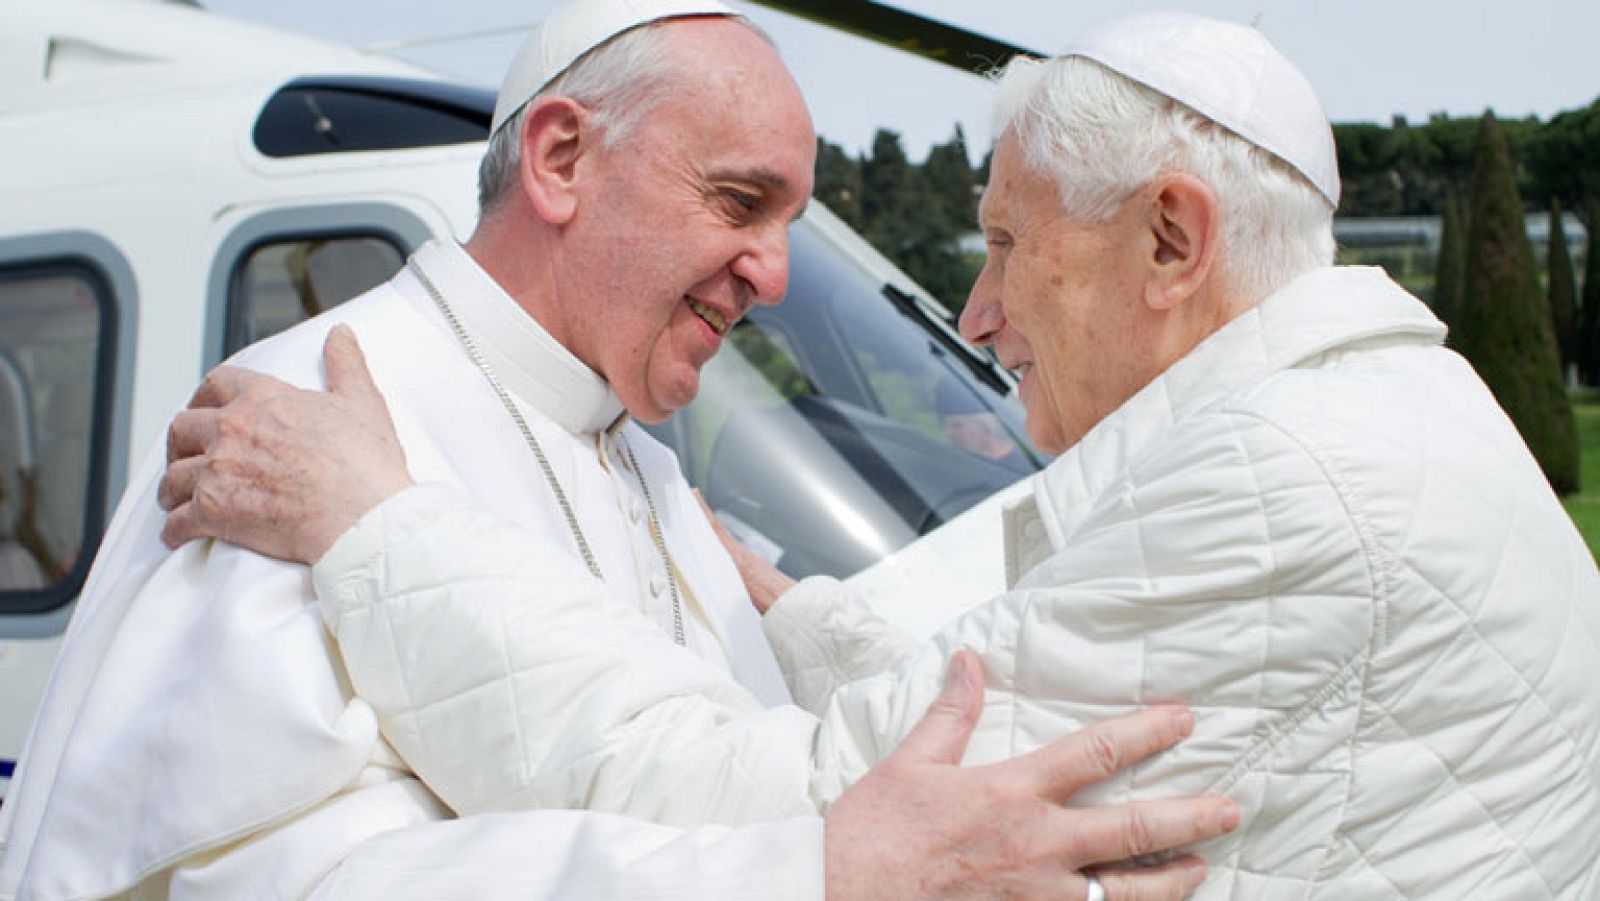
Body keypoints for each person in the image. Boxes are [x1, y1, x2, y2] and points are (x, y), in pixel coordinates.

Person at [148, 10, 1600, 899]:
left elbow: (817, 814)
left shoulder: (1291, 489)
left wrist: (375, 529)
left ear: (1172, 242)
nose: (978, 311)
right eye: (737, 202)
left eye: (1012, 246)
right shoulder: (1392, 411)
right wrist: (790, 608)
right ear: (560, 162)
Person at [0, 3, 1235, 899]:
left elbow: (715, 767)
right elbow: (282, 879)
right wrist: (813, 877)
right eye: (739, 204)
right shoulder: (298, 423)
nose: (774, 272)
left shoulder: (642, 458)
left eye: (789, 222)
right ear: (559, 158)